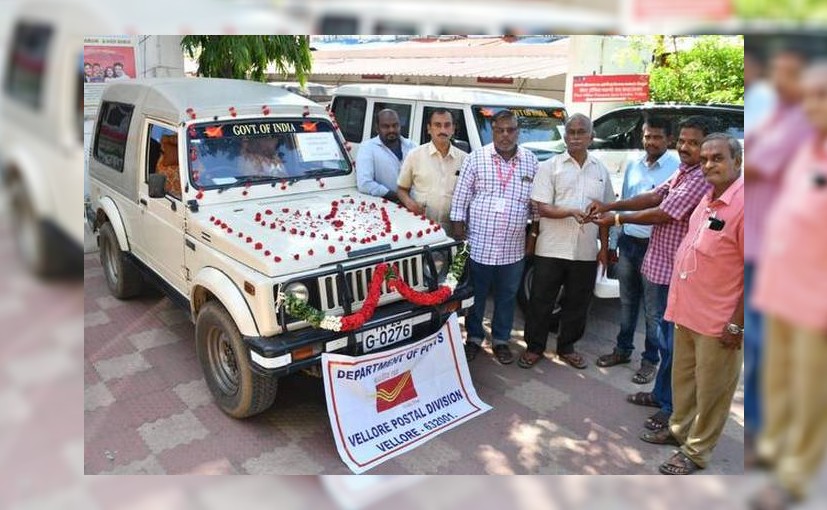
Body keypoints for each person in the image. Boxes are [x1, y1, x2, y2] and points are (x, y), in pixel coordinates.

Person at [587, 116, 714, 434]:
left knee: (670, 342)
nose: (685, 147)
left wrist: (614, 218)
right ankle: (660, 395)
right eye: (683, 141)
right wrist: (611, 206)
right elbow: (656, 195)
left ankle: (671, 408)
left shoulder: (701, 176)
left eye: (694, 142)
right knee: (653, 324)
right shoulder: (684, 172)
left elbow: (664, 212)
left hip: (678, 272)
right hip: (659, 261)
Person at [636, 133, 744, 477]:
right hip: (686, 312)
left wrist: (737, 324)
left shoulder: (747, 206)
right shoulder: (710, 197)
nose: (709, 164)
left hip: (719, 322)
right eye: (706, 158)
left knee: (713, 391)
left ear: (737, 162)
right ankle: (679, 430)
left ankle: (697, 452)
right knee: (684, 381)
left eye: (718, 158)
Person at [749, 61, 827, 510]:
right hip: (780, 289)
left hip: (815, 301)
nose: (813, 105)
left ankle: (794, 477)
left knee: (808, 388)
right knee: (777, 380)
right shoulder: (806, 151)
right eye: (810, 96)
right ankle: (773, 454)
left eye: (823, 96)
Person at [742, 44, 812, 464]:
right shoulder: (776, 116)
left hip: (773, 250)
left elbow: (756, 167)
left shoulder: (797, 122)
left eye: (791, 73)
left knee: (764, 341)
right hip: (755, 246)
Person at [518, 113, 614, 370]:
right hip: (551, 247)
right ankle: (534, 347)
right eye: (571, 132)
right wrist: (572, 211)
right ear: (565, 136)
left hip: (584, 250)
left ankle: (567, 347)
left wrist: (604, 249)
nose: (575, 137)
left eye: (581, 132)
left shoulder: (600, 170)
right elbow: (542, 208)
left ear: (591, 137)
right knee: (541, 300)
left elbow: (605, 212)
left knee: (578, 302)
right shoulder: (550, 166)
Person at [450, 109, 538, 365]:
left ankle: (500, 341)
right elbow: (461, 198)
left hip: (513, 247)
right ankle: (474, 339)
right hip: (478, 244)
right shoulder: (476, 159)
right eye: (500, 130)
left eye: (510, 130)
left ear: (518, 132)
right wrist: (459, 233)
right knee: (475, 295)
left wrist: (533, 236)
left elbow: (536, 205)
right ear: (492, 131)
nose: (505, 135)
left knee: (507, 297)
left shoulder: (531, 162)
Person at [595, 117, 679, 383]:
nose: (650, 142)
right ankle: (622, 350)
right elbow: (625, 204)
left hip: (657, 247)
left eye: (656, 137)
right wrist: (612, 245)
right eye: (646, 136)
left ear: (669, 140)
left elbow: (659, 210)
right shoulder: (633, 165)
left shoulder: (676, 170)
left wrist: (615, 219)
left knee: (654, 312)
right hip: (629, 243)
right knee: (627, 302)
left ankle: (650, 361)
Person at [397, 108, 467, 233]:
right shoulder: (414, 155)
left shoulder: (465, 159)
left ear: (453, 128)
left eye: (447, 125)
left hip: (452, 232)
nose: (442, 130)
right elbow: (402, 189)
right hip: (421, 228)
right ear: (429, 128)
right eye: (437, 125)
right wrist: (410, 203)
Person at [356, 109, 415, 202]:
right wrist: (398, 197)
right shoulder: (367, 148)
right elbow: (364, 184)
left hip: (414, 206)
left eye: (395, 125)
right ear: (377, 128)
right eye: (386, 126)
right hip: (388, 205)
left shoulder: (412, 146)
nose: (391, 130)